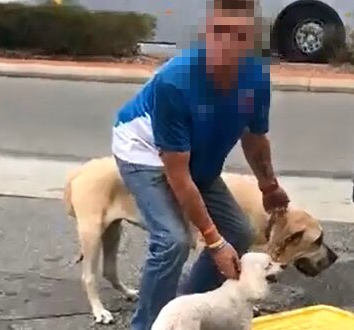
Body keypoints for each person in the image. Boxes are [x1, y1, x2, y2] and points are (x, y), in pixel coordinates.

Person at [110, 0, 289, 329]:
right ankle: (148, 324)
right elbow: (179, 178)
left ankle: (189, 309)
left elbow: (254, 137)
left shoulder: (256, 80)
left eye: (237, 35)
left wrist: (269, 186)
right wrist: (214, 242)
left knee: (239, 231)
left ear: (250, 42)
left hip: (195, 152)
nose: (225, 43)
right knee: (173, 241)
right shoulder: (174, 82)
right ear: (205, 34)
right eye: (217, 32)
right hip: (145, 150)